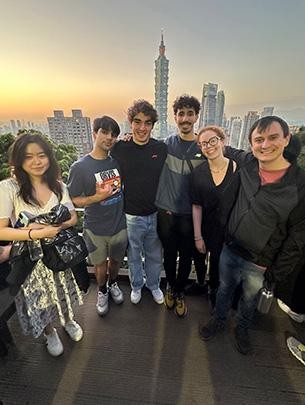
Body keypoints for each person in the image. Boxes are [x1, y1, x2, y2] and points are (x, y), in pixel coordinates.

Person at [199, 116, 305, 355]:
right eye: (259, 139)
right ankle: (219, 320)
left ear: (287, 139)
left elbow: (298, 238)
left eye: (273, 138)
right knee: (224, 289)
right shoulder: (248, 163)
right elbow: (218, 147)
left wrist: (276, 272)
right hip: (230, 247)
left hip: (259, 261)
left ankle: (243, 328)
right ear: (252, 144)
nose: (265, 145)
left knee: (249, 300)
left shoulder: (299, 186)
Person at [0, 132, 83, 357]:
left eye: (41, 155)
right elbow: (2, 229)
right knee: (40, 299)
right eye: (28, 157)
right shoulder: (9, 188)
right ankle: (49, 332)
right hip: (30, 259)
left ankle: (69, 321)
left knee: (62, 291)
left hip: (58, 254)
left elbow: (73, 218)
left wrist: (51, 229)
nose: (36, 162)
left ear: (49, 157)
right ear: (18, 161)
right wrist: (34, 233)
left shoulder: (58, 185)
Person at [67, 116, 127, 317]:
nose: (110, 138)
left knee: (116, 262)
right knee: (100, 265)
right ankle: (102, 291)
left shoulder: (116, 162)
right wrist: (96, 197)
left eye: (114, 134)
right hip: (95, 228)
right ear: (95, 133)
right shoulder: (80, 167)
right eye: (105, 132)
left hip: (119, 225)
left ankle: (113, 284)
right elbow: (74, 200)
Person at [111, 100, 167, 305]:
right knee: (134, 254)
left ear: (153, 125)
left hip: (155, 213)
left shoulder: (161, 148)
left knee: (154, 255)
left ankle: (153, 285)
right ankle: (136, 285)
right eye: (137, 122)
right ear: (130, 123)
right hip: (131, 215)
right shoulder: (120, 148)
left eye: (147, 123)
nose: (142, 127)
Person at [155, 94, 205, 317]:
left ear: (196, 117)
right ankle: (170, 287)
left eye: (190, 113)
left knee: (186, 256)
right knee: (169, 254)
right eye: (181, 113)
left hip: (190, 214)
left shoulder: (203, 147)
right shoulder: (167, 145)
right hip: (166, 211)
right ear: (175, 117)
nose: (185, 118)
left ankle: (180, 291)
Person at [191, 126, 237, 308]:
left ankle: (214, 291)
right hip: (204, 227)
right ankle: (201, 283)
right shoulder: (198, 173)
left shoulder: (236, 168)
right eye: (203, 144)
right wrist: (197, 236)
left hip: (226, 231)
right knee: (200, 260)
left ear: (222, 141)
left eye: (212, 141)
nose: (209, 146)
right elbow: (196, 205)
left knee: (218, 264)